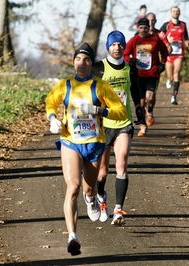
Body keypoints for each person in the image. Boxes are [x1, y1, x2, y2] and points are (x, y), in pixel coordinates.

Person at [45, 42, 127, 256]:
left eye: (87, 59)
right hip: (70, 141)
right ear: (73, 62)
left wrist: (99, 110)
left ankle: (91, 200)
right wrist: (53, 118)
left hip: (94, 143)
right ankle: (72, 236)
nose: (82, 63)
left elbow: (121, 112)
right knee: (73, 186)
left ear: (92, 63)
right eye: (78, 59)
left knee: (88, 189)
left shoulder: (100, 86)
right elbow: (50, 103)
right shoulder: (65, 85)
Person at [91, 30, 140, 225]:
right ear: (108, 47)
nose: (117, 47)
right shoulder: (98, 68)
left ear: (124, 46)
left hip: (123, 123)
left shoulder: (130, 69)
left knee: (121, 163)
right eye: (113, 45)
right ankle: (102, 198)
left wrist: (140, 112)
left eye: (120, 44)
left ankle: (118, 210)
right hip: (103, 125)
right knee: (102, 172)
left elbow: (135, 91)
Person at [124, 17, 168, 135]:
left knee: (150, 97)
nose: (143, 30)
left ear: (149, 29)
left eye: (145, 28)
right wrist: (131, 60)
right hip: (138, 75)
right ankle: (143, 125)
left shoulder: (155, 40)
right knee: (141, 103)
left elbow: (165, 51)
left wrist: (163, 63)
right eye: (141, 28)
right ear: (138, 28)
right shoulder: (134, 40)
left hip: (152, 73)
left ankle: (150, 111)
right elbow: (124, 55)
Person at [159, 6, 189, 105]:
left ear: (179, 13)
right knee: (171, 76)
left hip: (179, 53)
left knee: (177, 73)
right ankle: (169, 79)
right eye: (174, 11)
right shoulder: (166, 25)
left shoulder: (183, 25)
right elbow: (159, 37)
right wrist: (168, 40)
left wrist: (187, 42)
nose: (176, 13)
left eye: (177, 11)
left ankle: (174, 96)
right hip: (169, 53)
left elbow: (186, 37)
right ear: (171, 13)